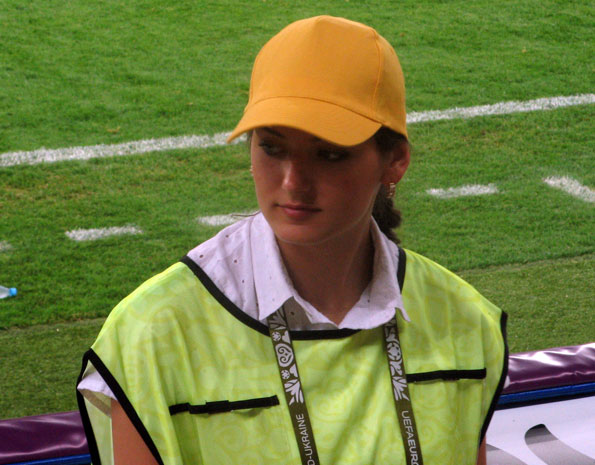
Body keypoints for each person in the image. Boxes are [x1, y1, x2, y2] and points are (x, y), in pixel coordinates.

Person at [77, 15, 507, 465]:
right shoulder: (152, 336)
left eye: (329, 154)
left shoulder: (466, 323)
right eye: (272, 147)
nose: (292, 182)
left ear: (395, 160)